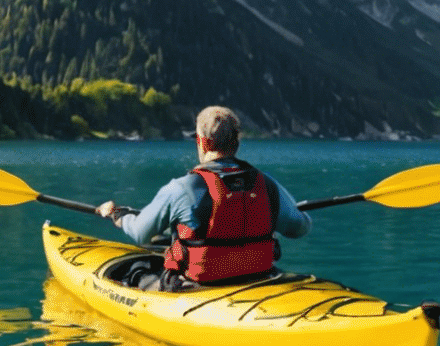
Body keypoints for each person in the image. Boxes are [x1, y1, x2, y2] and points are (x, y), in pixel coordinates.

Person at [94, 105, 310, 291]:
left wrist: (117, 214)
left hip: (198, 288)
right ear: (236, 143)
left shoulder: (181, 188)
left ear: (202, 142)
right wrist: (285, 212)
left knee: (137, 269)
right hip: (259, 278)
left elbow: (141, 232)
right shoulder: (267, 184)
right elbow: (300, 227)